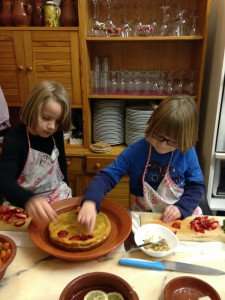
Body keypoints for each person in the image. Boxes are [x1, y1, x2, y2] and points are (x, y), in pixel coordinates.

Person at [78, 95, 205, 233]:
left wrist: (181, 208)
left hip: (178, 217)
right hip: (143, 216)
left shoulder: (187, 152)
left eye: (171, 141)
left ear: (185, 140)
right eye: (157, 135)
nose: (161, 144)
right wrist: (90, 201)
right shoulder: (137, 151)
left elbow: (196, 186)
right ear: (151, 125)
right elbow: (107, 176)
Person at [0, 81, 72, 225]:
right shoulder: (15, 138)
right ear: (32, 109)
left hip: (56, 196)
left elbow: (62, 167)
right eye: (46, 118)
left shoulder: (55, 134)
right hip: (24, 202)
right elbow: (4, 181)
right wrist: (28, 200)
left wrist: (67, 189)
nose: (52, 126)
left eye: (57, 122)